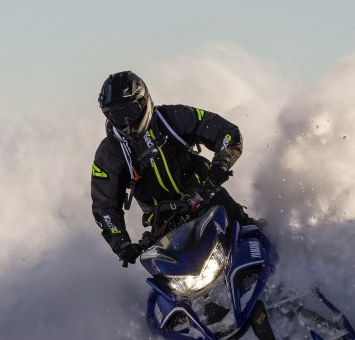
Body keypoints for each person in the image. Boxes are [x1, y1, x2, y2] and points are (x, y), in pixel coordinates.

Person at [91, 70, 257, 266]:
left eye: (130, 111)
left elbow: (227, 132)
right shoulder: (108, 154)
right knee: (165, 275)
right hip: (166, 225)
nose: (126, 122)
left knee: (249, 231)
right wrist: (122, 245)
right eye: (117, 115)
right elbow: (105, 207)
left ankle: (279, 266)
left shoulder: (172, 117)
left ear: (143, 101)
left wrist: (220, 166)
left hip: (208, 198)